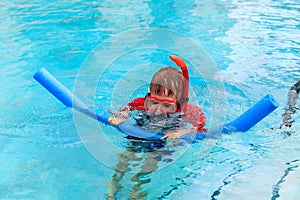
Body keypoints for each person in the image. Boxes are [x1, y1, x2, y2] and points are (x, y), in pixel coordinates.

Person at [108, 55, 207, 140]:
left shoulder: (187, 110)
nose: (158, 110)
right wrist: (121, 116)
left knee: (153, 159)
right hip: (142, 130)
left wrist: (183, 132)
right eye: (154, 102)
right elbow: (127, 108)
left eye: (167, 105)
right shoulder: (141, 103)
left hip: (166, 138)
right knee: (127, 154)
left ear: (178, 102)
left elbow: (199, 127)